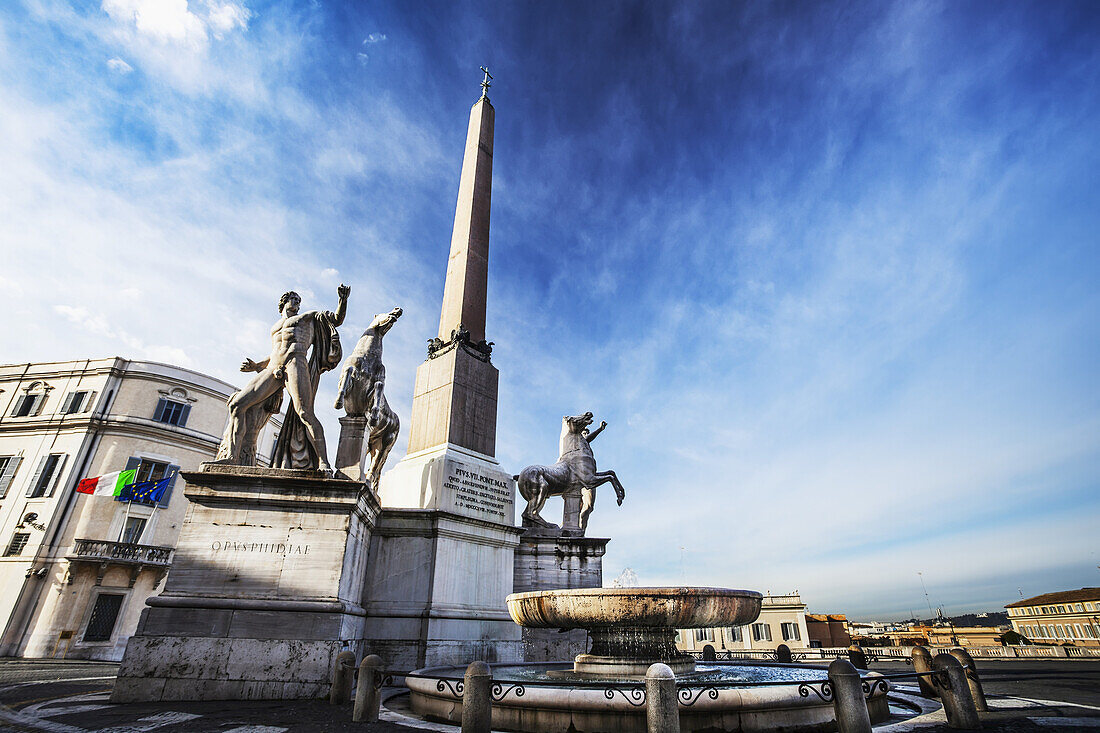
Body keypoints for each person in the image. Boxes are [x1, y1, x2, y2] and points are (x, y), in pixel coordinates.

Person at [216, 285, 349, 472]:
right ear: (284, 302)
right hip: (272, 368)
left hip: (295, 363)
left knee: (304, 413)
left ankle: (323, 462)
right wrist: (255, 366)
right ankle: (232, 456)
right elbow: (274, 353)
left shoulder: (306, 318)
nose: (296, 302)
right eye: (293, 299)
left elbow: (336, 320)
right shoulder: (274, 327)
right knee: (237, 404)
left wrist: (342, 300)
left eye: (298, 300)